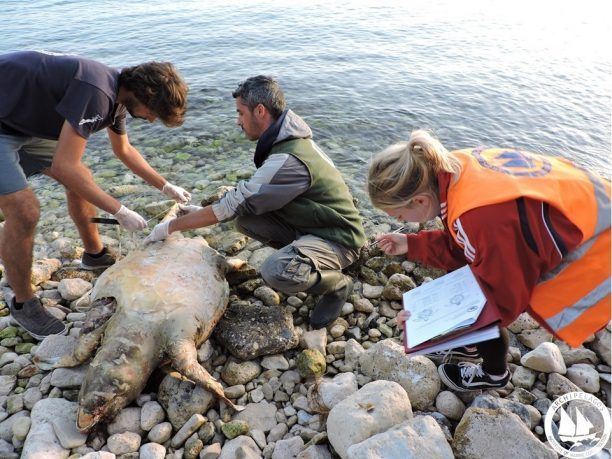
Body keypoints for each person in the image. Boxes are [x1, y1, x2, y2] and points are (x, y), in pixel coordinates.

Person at [368, 129, 610, 392]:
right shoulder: (453, 168)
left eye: (401, 217)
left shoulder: (480, 217)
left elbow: (500, 301)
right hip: (590, 209)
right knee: (466, 282)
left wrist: (428, 324)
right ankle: (470, 345)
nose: (401, 223)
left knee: (481, 306)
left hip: (599, 250)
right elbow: (463, 246)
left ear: (420, 200)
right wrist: (411, 243)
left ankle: (494, 373)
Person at [145, 75, 366, 329]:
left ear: (260, 111)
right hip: (315, 225)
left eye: (240, 113)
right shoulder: (290, 141)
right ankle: (307, 259)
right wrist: (198, 212)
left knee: (275, 271)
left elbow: (232, 203)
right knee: (246, 220)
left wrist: (169, 227)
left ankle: (337, 285)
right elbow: (244, 201)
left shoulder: (288, 159)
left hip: (341, 239)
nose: (238, 121)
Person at [0, 50, 192, 340]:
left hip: (17, 122)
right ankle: (23, 302)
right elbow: (65, 167)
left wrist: (165, 186)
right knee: (25, 210)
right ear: (145, 96)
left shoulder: (118, 96)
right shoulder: (97, 93)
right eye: (154, 114)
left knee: (83, 179)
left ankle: (94, 255)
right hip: (4, 125)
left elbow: (123, 151)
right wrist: (119, 210)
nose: (152, 120)